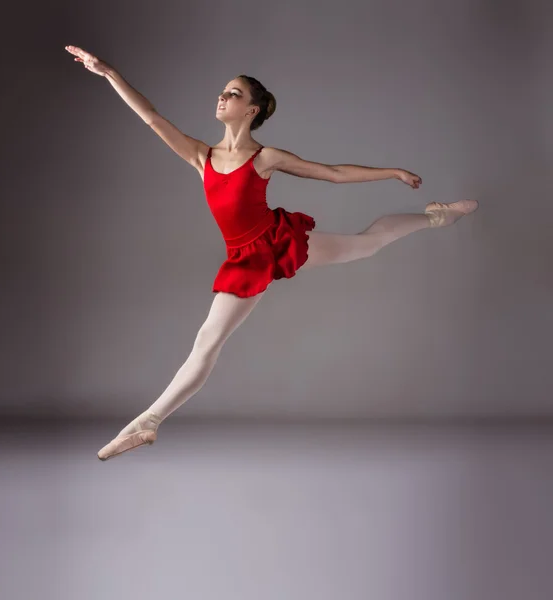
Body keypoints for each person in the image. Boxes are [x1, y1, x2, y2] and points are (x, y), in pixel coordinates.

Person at [64, 46, 479, 461]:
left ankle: (436, 218)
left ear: (252, 110)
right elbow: (151, 116)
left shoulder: (265, 158)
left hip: (276, 240)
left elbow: (332, 174)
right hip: (243, 257)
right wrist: (107, 73)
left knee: (366, 245)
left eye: (233, 93)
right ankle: (148, 423)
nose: (222, 97)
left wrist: (392, 172)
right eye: (223, 92)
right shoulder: (201, 156)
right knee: (207, 341)